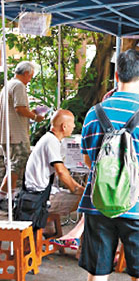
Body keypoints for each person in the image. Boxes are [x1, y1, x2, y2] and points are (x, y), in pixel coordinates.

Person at [78, 49, 139, 281]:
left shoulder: (94, 113)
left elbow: (88, 160)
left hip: (98, 203)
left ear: (116, 75)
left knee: (97, 273)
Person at [24, 109, 85, 213]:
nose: (74, 126)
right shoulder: (51, 141)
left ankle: (50, 221)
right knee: (85, 198)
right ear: (64, 126)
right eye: (72, 123)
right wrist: (76, 189)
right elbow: (61, 171)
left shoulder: (49, 138)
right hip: (38, 195)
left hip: (37, 192)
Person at [0, 61, 45, 201]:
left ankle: (9, 196)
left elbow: (17, 110)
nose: (30, 80)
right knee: (16, 166)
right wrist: (35, 117)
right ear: (26, 73)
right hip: (16, 135)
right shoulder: (19, 85)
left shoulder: (8, 85)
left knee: (12, 166)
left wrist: (29, 113)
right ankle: (5, 196)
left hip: (7, 134)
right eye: (30, 76)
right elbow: (19, 108)